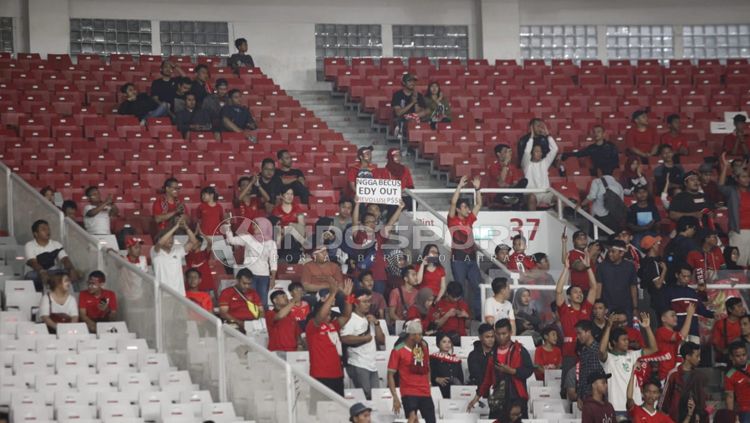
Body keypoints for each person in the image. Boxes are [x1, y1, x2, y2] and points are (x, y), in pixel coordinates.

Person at [467, 318, 534, 420]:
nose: (501, 337)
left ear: (510, 333)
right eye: (498, 334)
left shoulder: (519, 350)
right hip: (498, 398)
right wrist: (476, 398)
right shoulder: (493, 352)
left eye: (504, 333)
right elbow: (488, 379)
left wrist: (511, 371)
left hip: (517, 397)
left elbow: (529, 370)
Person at [599, 312, 659, 415]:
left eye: (627, 340)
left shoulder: (633, 354)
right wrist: (608, 327)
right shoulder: (609, 359)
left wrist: (647, 328)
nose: (627, 342)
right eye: (623, 340)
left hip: (636, 406)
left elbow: (654, 348)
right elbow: (601, 351)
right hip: (617, 408)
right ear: (614, 342)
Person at [556, 260, 597, 392]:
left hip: (587, 351)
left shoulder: (587, 308)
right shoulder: (564, 310)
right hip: (569, 352)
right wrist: (566, 268)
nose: (579, 294)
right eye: (575, 292)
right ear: (569, 295)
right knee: (568, 387)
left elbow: (594, 288)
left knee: (588, 385)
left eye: (580, 292)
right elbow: (558, 290)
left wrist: (589, 267)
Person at [307, 279, 353, 396]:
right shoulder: (312, 326)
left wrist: (348, 297)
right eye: (327, 313)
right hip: (320, 375)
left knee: (338, 410)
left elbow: (347, 315)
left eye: (330, 314)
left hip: (337, 374)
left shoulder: (334, 326)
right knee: (319, 411)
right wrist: (332, 294)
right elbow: (321, 316)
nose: (330, 315)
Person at [351, 198, 405, 294]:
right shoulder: (359, 235)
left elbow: (390, 223)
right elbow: (354, 222)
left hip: (378, 275)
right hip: (361, 275)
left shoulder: (379, 236)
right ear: (363, 224)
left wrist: (400, 208)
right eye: (368, 222)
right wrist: (357, 204)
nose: (372, 224)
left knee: (378, 301)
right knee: (362, 301)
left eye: (374, 222)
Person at [387, 319, 435, 423]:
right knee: (412, 419)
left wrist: (429, 383)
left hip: (425, 392)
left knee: (431, 420)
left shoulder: (423, 347)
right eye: (419, 335)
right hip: (408, 391)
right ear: (412, 335)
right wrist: (395, 397)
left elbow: (427, 367)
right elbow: (390, 374)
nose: (421, 337)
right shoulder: (398, 350)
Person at [222, 217, 277, 307]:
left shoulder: (271, 243)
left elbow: (273, 260)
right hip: (249, 275)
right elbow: (231, 240)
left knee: (262, 303)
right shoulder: (248, 238)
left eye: (256, 225)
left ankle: (262, 320)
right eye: (253, 224)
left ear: (264, 226)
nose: (253, 227)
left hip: (264, 276)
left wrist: (273, 278)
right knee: (249, 301)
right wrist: (228, 226)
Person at [341, 288, 385, 400]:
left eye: (369, 301)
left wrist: (376, 323)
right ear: (356, 303)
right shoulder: (350, 319)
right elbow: (344, 338)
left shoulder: (369, 318)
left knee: (376, 397)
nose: (368, 304)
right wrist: (364, 338)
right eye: (364, 302)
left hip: (372, 365)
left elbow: (381, 340)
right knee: (366, 397)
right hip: (358, 364)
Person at [663, 264, 714, 341]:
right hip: (678, 332)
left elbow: (702, 310)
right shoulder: (669, 291)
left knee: (696, 352)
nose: (686, 279)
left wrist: (715, 314)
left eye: (689, 276)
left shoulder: (693, 292)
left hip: (694, 332)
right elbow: (665, 312)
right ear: (677, 275)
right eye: (684, 276)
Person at [24, 219, 80, 291]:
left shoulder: (56, 244)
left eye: (48, 229)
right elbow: (33, 262)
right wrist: (42, 272)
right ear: (36, 234)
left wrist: (71, 269)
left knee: (74, 273)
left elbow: (65, 259)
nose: (48, 231)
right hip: (36, 272)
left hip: (53, 272)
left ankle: (75, 297)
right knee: (32, 276)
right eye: (43, 229)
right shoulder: (29, 245)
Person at [661, 342, 708, 423]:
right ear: (687, 357)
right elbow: (664, 400)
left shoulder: (699, 376)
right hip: (676, 418)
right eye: (697, 356)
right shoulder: (673, 374)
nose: (699, 359)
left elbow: (702, 399)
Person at [152, 216, 198, 296]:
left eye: (172, 238)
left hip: (179, 294)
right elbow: (160, 243)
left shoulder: (177, 251)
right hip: (163, 294)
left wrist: (186, 227)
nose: (171, 240)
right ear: (160, 238)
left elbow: (193, 242)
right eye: (168, 238)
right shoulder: (155, 251)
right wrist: (176, 227)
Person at [719, 152, 750, 268]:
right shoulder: (732, 192)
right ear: (736, 179)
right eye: (743, 176)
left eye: (747, 176)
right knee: (739, 263)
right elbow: (721, 186)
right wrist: (725, 167)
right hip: (739, 232)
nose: (747, 179)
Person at [597, 240, 639, 322]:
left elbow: (633, 287)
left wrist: (635, 307)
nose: (609, 254)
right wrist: (598, 306)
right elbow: (599, 286)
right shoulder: (602, 267)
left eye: (613, 252)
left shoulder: (630, 266)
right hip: (608, 306)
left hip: (626, 307)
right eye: (609, 251)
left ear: (621, 253)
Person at [521, 120, 559, 210]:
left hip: (545, 193)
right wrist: (531, 137)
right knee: (532, 198)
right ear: (532, 153)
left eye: (540, 151)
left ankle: (560, 222)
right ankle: (533, 219)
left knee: (559, 199)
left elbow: (555, 149)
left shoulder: (544, 163)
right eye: (537, 151)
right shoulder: (526, 164)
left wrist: (548, 135)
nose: (540, 153)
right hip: (532, 194)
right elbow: (526, 152)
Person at [656, 305, 695, 382]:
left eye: (676, 316)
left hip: (677, 375)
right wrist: (689, 315)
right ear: (663, 318)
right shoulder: (661, 331)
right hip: (667, 375)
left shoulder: (674, 333)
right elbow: (681, 336)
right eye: (672, 315)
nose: (675, 318)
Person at [576, 320, 604, 405]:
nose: (577, 337)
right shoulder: (584, 351)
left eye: (579, 333)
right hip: (585, 397)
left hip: (597, 397)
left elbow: (601, 375)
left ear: (588, 332)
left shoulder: (599, 350)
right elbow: (582, 376)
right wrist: (579, 396)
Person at [391, 73, 428, 139]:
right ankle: (401, 130)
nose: (412, 83)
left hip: (415, 119)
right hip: (402, 119)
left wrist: (416, 102)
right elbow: (398, 113)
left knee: (426, 114)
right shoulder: (397, 95)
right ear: (404, 83)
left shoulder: (418, 95)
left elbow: (420, 112)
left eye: (413, 81)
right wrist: (412, 103)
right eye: (409, 81)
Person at [638, 236, 668, 316]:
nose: (659, 245)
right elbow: (658, 285)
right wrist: (664, 270)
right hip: (658, 300)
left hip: (649, 300)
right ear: (652, 246)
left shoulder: (644, 261)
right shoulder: (652, 263)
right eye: (657, 243)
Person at [429, 332, 464, 398]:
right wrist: (436, 379)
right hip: (439, 389)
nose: (447, 344)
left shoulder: (456, 360)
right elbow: (429, 374)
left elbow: (460, 377)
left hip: (455, 391)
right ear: (438, 344)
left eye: (449, 342)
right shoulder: (433, 358)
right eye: (444, 342)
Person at [713, 297, 747, 362]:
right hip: (726, 358)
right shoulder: (720, 324)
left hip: (744, 357)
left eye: (742, 306)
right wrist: (723, 351)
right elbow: (715, 344)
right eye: (739, 306)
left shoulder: (745, 322)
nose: (742, 309)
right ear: (730, 309)